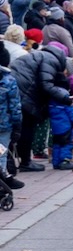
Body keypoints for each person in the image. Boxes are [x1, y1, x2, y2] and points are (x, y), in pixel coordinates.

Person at [9, 43, 73, 171]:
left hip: (16, 89)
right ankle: (25, 162)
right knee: (27, 127)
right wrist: (65, 98)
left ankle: (10, 162)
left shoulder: (40, 55)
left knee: (13, 130)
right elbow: (46, 85)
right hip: (24, 93)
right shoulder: (51, 60)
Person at [0, 44, 23, 189]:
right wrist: (17, 125)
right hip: (3, 125)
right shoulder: (8, 81)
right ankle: (2, 185)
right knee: (1, 154)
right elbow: (15, 107)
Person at [48, 72, 73, 170]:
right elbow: (71, 112)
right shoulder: (65, 98)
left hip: (55, 126)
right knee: (67, 143)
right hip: (65, 125)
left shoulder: (51, 98)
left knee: (57, 144)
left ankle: (56, 162)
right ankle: (65, 160)